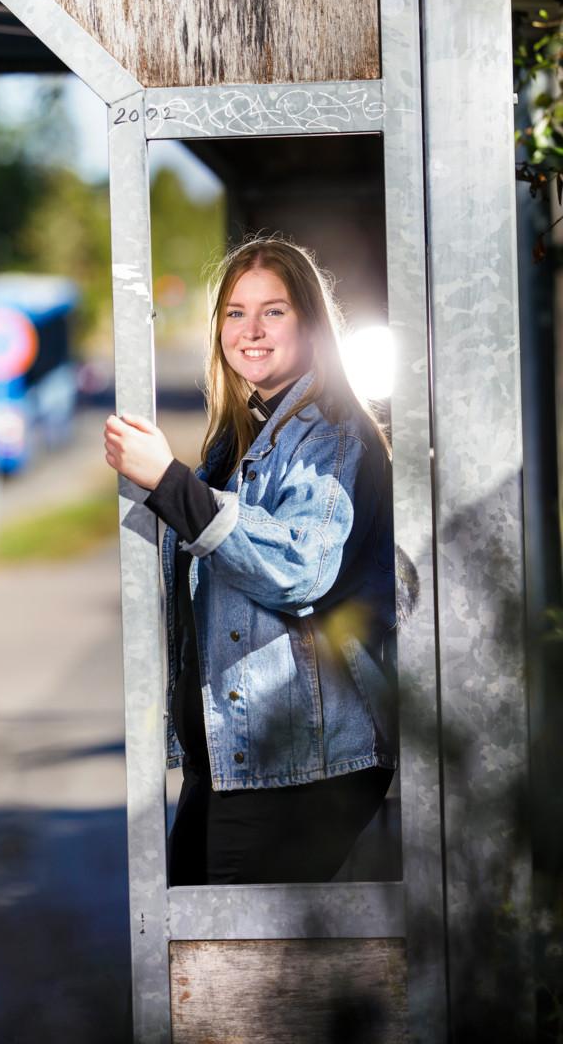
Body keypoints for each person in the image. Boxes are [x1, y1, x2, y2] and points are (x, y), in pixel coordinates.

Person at [103, 233, 399, 885]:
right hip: (238, 758)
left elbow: (299, 569)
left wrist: (170, 485)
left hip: (304, 762)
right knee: (198, 952)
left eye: (275, 311)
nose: (252, 329)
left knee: (236, 972)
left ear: (312, 325)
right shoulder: (237, 446)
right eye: (236, 312)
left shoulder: (332, 435)